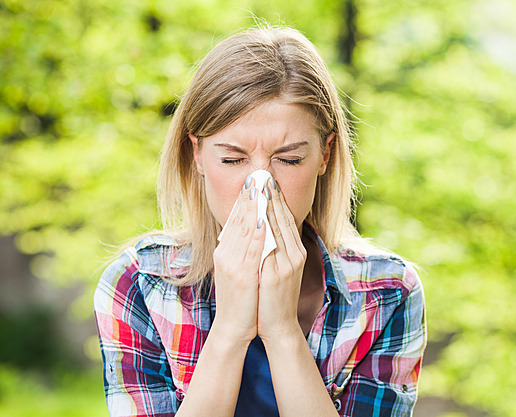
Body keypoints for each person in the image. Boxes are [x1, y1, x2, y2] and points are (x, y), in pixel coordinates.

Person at [94, 25, 427, 417]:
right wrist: (231, 329)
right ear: (197, 154)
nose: (261, 185)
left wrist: (282, 331)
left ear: (324, 154)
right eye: (233, 159)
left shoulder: (387, 292)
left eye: (289, 159)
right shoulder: (139, 283)